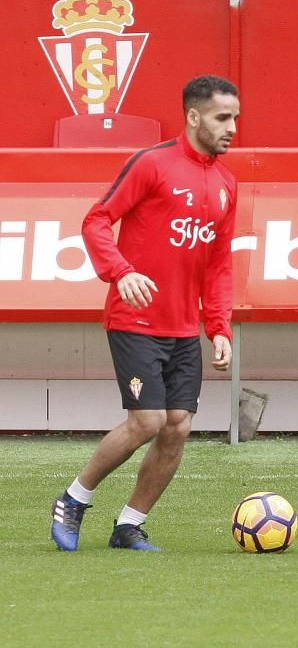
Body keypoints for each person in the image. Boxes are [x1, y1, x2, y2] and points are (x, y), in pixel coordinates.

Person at [50, 75, 240, 552]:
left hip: (182, 328)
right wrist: (121, 271)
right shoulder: (152, 164)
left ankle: (129, 525)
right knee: (148, 421)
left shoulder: (226, 183)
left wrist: (218, 327)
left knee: (178, 426)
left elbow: (218, 264)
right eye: (223, 117)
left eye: (236, 117)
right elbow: (96, 220)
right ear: (194, 117)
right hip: (134, 320)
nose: (232, 127)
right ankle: (74, 499)